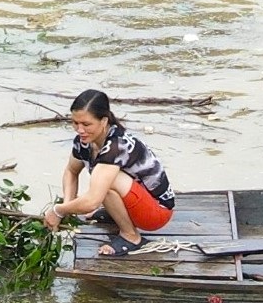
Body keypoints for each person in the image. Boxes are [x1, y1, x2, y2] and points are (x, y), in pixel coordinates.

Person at [40, 90, 176, 256]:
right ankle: (118, 214)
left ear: (104, 121)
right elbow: (71, 171)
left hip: (157, 212)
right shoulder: (84, 141)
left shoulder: (116, 146)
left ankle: (131, 237)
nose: (79, 130)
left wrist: (58, 210)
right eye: (75, 123)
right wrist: (68, 205)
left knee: (107, 183)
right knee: (102, 183)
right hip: (135, 200)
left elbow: (92, 201)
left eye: (86, 124)